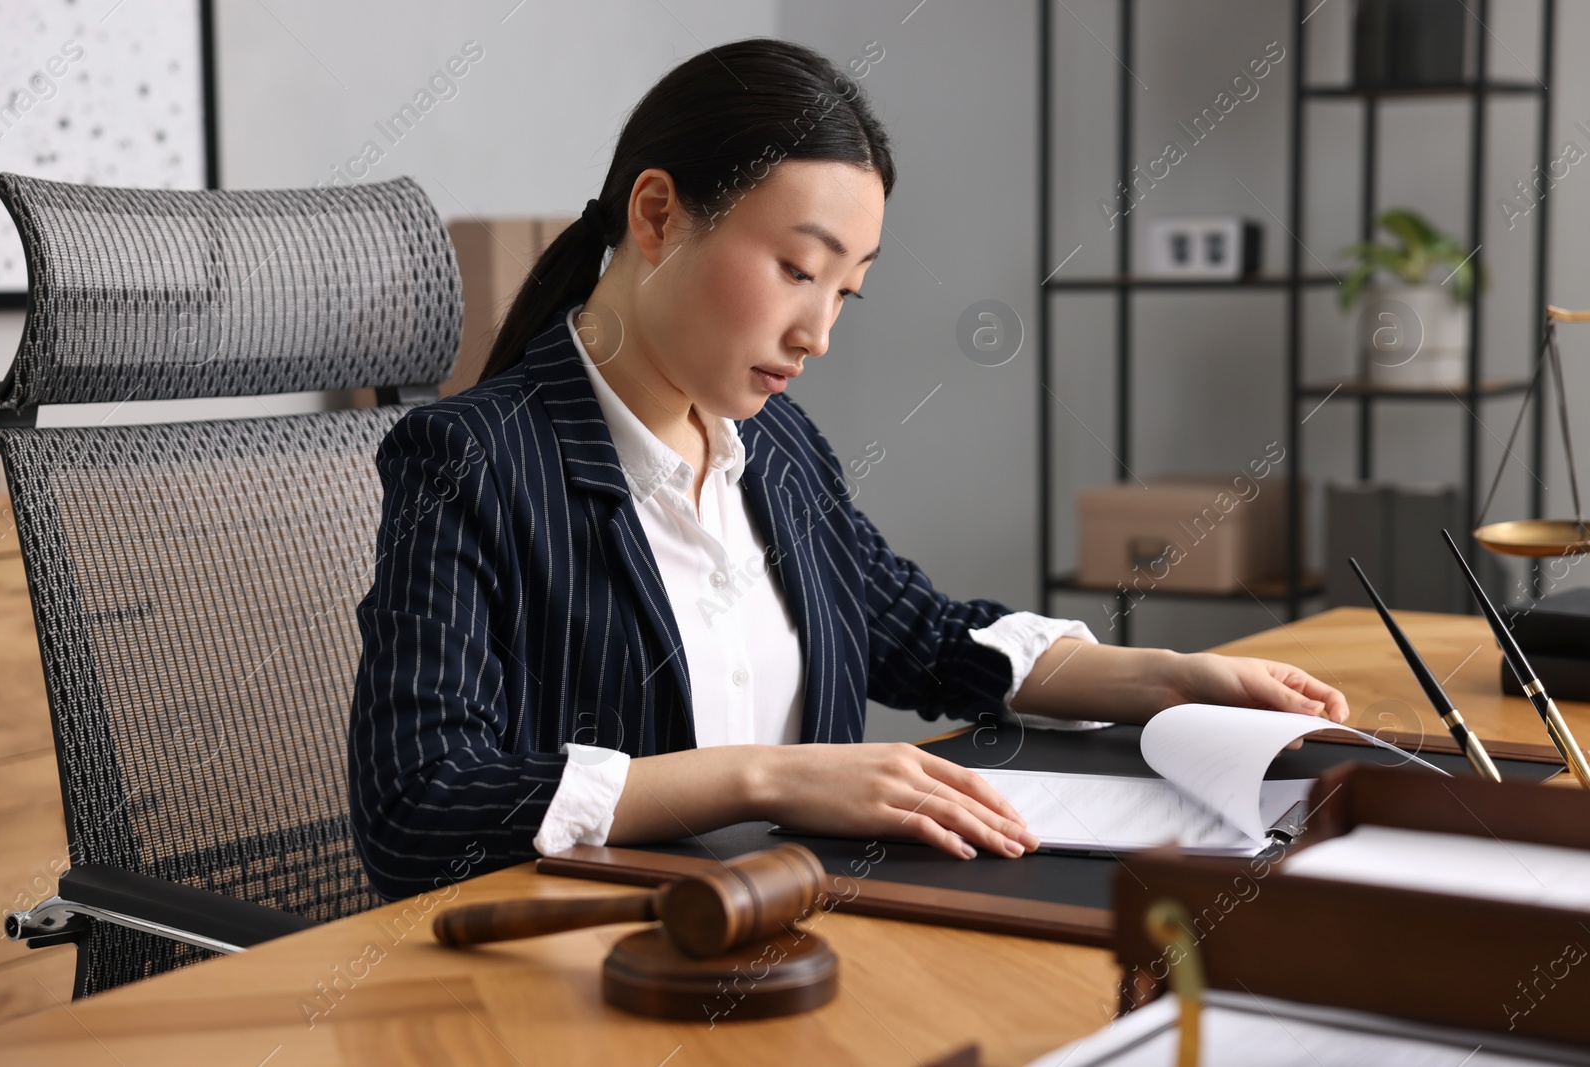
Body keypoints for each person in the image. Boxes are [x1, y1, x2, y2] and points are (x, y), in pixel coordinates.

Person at [348, 37, 1347, 900]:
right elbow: (419, 805)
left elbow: (921, 634)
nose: (817, 332)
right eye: (795, 269)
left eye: (845, 292)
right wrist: (766, 777)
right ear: (656, 215)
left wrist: (1164, 678)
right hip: (598, 976)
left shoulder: (773, 447)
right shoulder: (469, 461)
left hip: (814, 944)